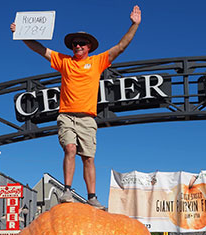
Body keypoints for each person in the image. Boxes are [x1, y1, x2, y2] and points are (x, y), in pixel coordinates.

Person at [10, 6, 142, 209]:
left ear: (89, 47)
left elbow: (121, 46)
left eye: (81, 43)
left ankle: (91, 197)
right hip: (67, 115)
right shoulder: (64, 61)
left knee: (88, 157)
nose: (77, 46)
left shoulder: (97, 62)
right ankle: (67, 191)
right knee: (70, 149)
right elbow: (40, 49)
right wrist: (21, 35)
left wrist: (134, 24)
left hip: (87, 118)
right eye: (75, 44)